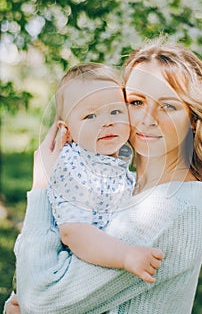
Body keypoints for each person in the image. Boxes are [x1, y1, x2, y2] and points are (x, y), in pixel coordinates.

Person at [5, 39, 202, 314]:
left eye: (169, 106)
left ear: (194, 118)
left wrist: (42, 187)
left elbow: (41, 301)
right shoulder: (127, 186)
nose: (148, 118)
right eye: (136, 102)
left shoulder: (167, 208)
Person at [47, 62, 161, 282]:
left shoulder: (114, 161)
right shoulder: (74, 165)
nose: (107, 122)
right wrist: (125, 255)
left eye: (115, 111)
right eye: (90, 116)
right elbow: (73, 231)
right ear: (67, 132)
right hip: (67, 276)